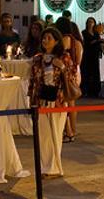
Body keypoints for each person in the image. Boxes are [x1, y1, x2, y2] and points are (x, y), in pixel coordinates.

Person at [29, 27, 74, 178]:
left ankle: (54, 168)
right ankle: (45, 167)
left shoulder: (64, 57)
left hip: (58, 101)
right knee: (43, 135)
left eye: (49, 38)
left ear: (56, 41)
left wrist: (61, 66)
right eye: (44, 38)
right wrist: (31, 99)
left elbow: (72, 78)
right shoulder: (37, 58)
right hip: (41, 100)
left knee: (55, 133)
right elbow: (33, 81)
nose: (45, 40)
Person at [81, 18, 104, 98]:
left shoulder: (96, 33)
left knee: (95, 72)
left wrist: (99, 40)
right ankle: (86, 90)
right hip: (87, 54)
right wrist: (97, 40)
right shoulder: (84, 32)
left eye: (92, 22)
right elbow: (88, 42)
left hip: (95, 54)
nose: (91, 23)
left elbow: (97, 41)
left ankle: (95, 91)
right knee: (87, 72)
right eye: (89, 22)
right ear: (87, 23)